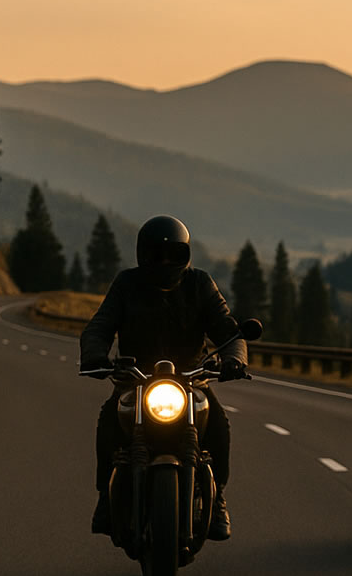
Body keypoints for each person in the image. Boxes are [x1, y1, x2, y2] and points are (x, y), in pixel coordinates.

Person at [80, 214, 248, 539]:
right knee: (108, 422)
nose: (166, 262)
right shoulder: (127, 284)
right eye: (158, 255)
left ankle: (219, 496)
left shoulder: (200, 284)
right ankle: (105, 496)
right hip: (135, 379)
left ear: (186, 256)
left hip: (190, 380)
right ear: (143, 256)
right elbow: (99, 325)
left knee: (218, 425)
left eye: (175, 255)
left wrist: (234, 359)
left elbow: (229, 330)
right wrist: (94, 356)